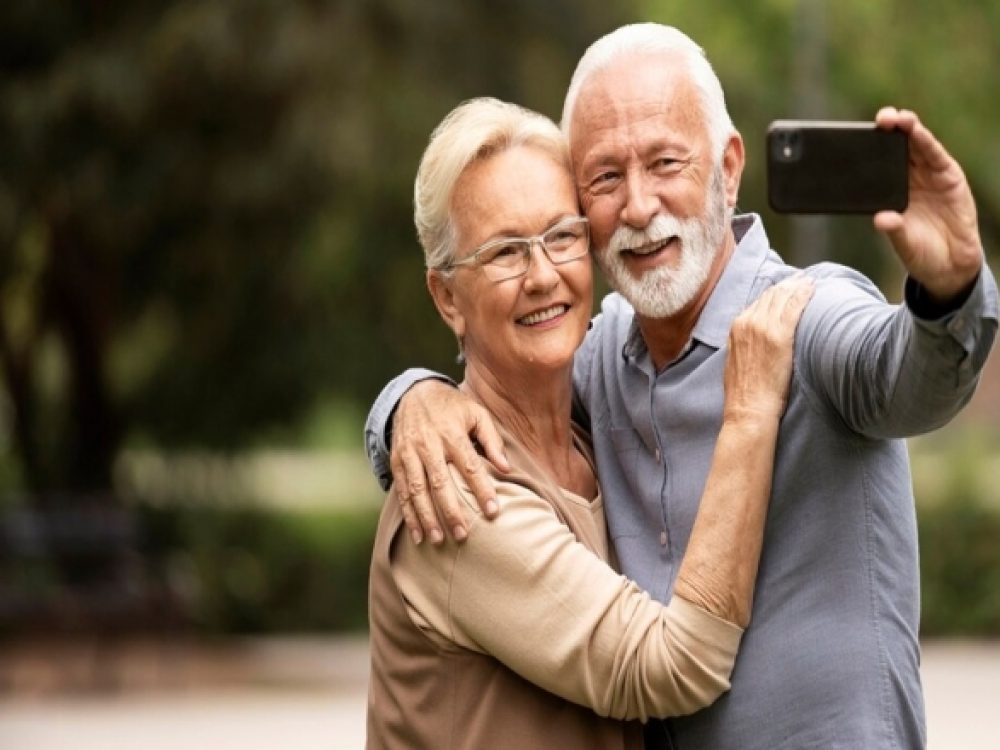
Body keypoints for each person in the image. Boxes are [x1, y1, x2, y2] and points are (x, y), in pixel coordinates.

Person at [365, 23, 998, 750]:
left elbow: (908, 381)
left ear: (727, 169)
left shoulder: (804, 319)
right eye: (606, 178)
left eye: (665, 162)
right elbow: (502, 385)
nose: (638, 206)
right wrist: (411, 400)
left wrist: (949, 291)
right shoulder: (596, 361)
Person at [366, 96, 814, 750]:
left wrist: (409, 394)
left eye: (561, 236)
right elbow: (672, 668)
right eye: (505, 252)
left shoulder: (593, 436)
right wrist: (748, 413)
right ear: (446, 297)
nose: (543, 275)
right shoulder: (459, 490)